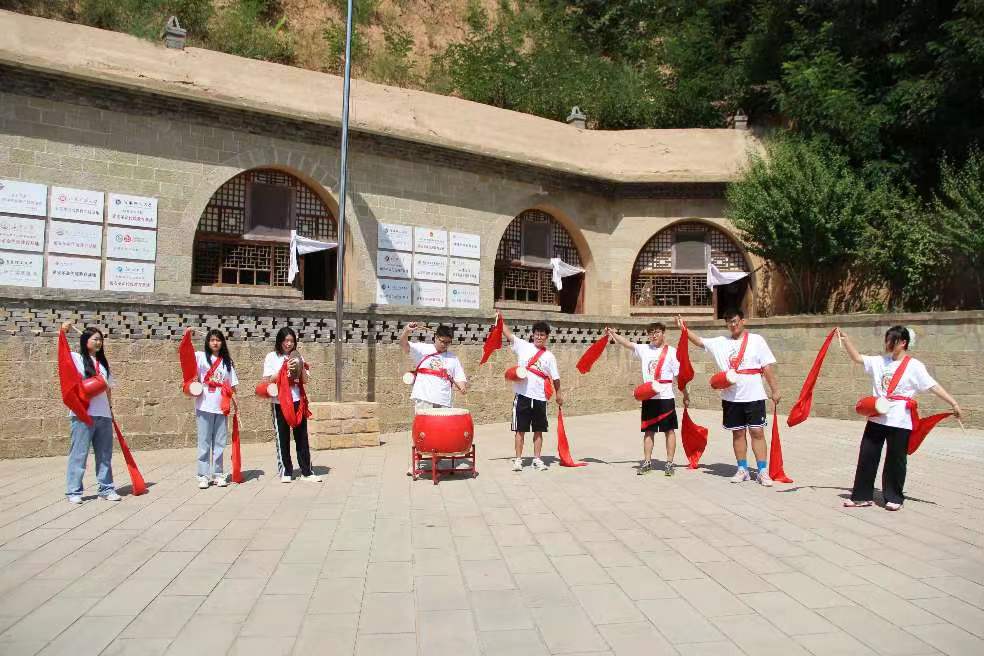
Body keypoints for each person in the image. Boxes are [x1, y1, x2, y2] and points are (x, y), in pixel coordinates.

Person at [838, 325, 961, 510]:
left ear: (903, 342)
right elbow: (857, 358)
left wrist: (953, 403)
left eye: (892, 340)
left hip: (900, 420)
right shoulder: (880, 361)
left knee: (896, 460)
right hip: (877, 417)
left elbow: (932, 386)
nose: (888, 343)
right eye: (887, 340)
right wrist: (846, 339)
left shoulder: (914, 366)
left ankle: (894, 497)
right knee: (867, 455)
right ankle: (861, 496)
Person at [678, 310, 780, 486]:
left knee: (757, 432)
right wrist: (683, 328)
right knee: (738, 433)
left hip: (754, 395)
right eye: (729, 322)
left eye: (735, 321)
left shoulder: (756, 340)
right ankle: (742, 469)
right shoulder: (721, 342)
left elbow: (767, 367)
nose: (732, 325)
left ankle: (762, 471)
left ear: (742, 321)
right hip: (732, 398)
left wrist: (775, 390)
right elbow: (699, 341)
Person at [607, 323, 689, 476]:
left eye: (657, 332)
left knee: (669, 431)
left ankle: (669, 463)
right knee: (648, 431)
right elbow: (627, 344)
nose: (653, 335)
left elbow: (678, 377)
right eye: (651, 333)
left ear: (663, 333)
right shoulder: (644, 349)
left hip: (665, 397)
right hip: (649, 397)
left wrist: (685, 394)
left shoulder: (672, 352)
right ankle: (647, 462)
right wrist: (613, 334)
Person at [62, 322, 121, 504]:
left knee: (104, 454)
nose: (98, 342)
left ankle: (106, 488)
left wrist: (110, 410)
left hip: (103, 414)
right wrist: (63, 331)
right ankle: (74, 491)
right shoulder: (76, 358)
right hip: (82, 413)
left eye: (100, 339)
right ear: (85, 340)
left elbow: (108, 389)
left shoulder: (103, 364)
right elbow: (62, 353)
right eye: (95, 339)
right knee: (79, 454)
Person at [400, 322, 468, 475]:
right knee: (421, 433)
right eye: (442, 341)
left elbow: (459, 378)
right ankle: (417, 462)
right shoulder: (423, 349)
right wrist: (406, 331)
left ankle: (437, 462)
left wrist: (462, 387)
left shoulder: (453, 358)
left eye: (448, 342)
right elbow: (404, 344)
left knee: (441, 434)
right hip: (424, 397)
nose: (445, 345)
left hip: (444, 401)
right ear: (436, 337)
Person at [500, 315, 563, 471]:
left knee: (538, 430)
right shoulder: (523, 346)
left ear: (546, 337)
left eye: (542, 335)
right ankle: (518, 460)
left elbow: (555, 378)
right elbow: (508, 334)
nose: (539, 337)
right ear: (532, 335)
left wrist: (559, 394)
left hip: (540, 397)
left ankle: (537, 459)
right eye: (537, 334)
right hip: (522, 396)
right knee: (520, 430)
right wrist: (499, 319)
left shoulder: (549, 357)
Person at [262, 327, 321, 483]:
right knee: (282, 437)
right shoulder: (272, 357)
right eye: (286, 340)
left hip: (297, 401)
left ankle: (307, 471)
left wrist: (301, 367)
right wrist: (284, 368)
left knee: (301, 437)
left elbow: (305, 380)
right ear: (280, 341)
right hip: (280, 402)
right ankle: (286, 470)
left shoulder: (297, 356)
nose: (288, 344)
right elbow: (267, 379)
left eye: (291, 341)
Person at [193, 329, 239, 489]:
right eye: (212, 340)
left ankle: (218, 474)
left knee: (219, 442)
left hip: (221, 405)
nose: (215, 343)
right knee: (204, 442)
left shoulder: (227, 362)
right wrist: (188, 335)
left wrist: (236, 403)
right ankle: (203, 475)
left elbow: (232, 385)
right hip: (204, 405)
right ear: (207, 342)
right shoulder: (200, 357)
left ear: (222, 343)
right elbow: (185, 355)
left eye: (218, 340)